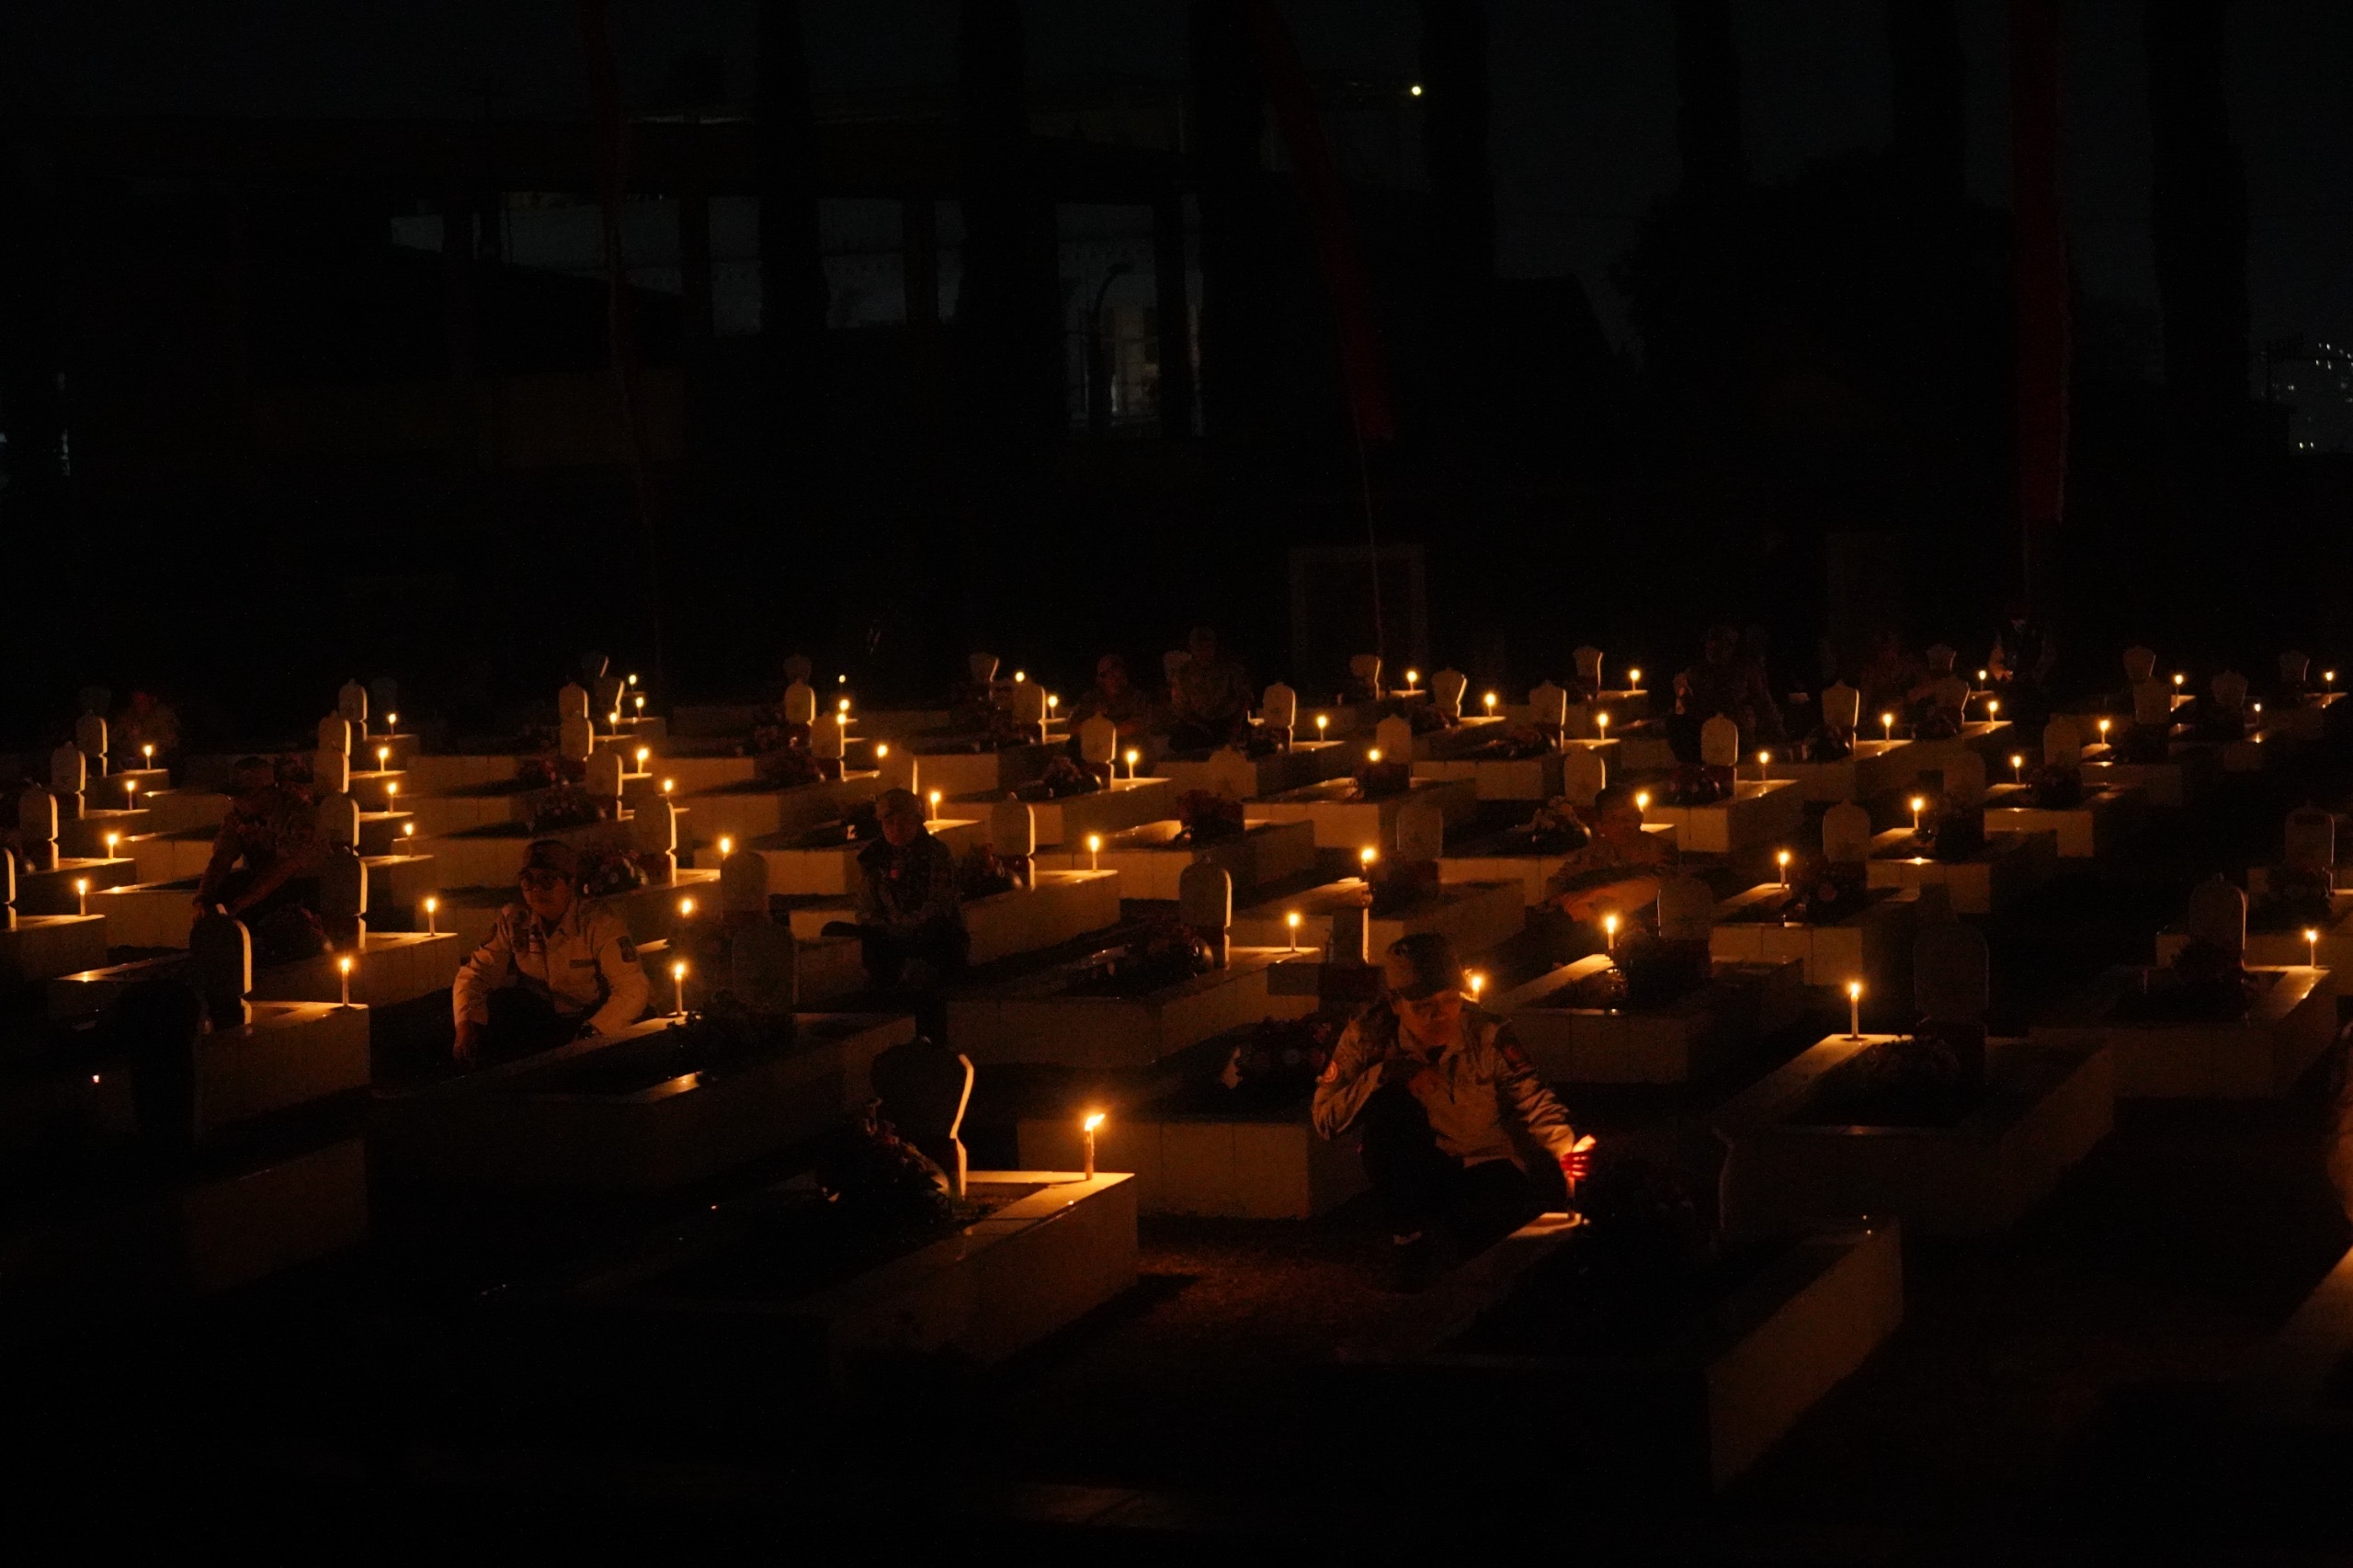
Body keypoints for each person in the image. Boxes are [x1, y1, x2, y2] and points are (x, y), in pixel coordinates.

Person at [1313, 934, 1592, 1290]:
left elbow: (1534, 1099)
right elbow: (1324, 1119)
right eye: (1423, 1005)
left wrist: (1568, 1147)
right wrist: (1383, 1075)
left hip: (1486, 1164)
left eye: (1449, 1000)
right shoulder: (1369, 1037)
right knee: (1389, 1108)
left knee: (1497, 1257)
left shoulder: (1487, 1034)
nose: (1440, 1014)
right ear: (1395, 1003)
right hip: (1420, 1169)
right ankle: (1410, 1240)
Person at [452, 839, 651, 1064]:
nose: (536, 889)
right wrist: (465, 1025)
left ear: (570, 883)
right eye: (529, 880)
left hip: (592, 1019)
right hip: (542, 1021)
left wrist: (592, 1032)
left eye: (547, 880)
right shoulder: (515, 920)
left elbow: (632, 988)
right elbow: (476, 974)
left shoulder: (599, 924)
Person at [854, 788, 970, 990]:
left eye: (905, 821)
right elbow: (866, 909)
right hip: (889, 932)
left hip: (927, 933)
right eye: (890, 823)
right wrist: (887, 926)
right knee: (836, 931)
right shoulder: (874, 857)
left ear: (917, 822)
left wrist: (904, 925)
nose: (897, 829)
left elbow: (938, 904)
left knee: (939, 936)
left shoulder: (935, 853)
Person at [193, 756, 325, 924]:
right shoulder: (238, 817)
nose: (237, 802)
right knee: (223, 892)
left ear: (268, 793)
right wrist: (203, 898)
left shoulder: (298, 816)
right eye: (233, 796)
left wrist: (238, 904)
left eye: (245, 795)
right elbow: (221, 858)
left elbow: (283, 867)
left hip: (304, 889)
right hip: (264, 889)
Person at [1543, 783, 1669, 925]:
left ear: (1640, 819)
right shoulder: (1593, 853)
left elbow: (1661, 885)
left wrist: (1595, 893)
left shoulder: (1660, 849)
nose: (1624, 826)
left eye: (1630, 818)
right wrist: (1567, 901)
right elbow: (1557, 883)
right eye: (1614, 819)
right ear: (1600, 825)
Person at [1671, 623, 1783, 759]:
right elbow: (1684, 707)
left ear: (1730, 647)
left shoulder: (1745, 671)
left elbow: (1763, 702)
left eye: (1720, 645)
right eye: (1710, 644)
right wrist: (1683, 695)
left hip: (1739, 732)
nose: (1714, 649)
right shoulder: (1696, 673)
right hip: (1705, 732)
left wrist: (1777, 731)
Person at [1164, 625, 1253, 752]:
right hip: (1200, 724)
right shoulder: (1183, 674)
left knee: (1246, 741)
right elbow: (1181, 708)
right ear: (1192, 649)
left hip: (1229, 721)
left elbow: (1246, 697)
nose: (1204, 653)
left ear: (1214, 647)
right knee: (1178, 741)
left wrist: (1236, 723)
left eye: (1208, 648)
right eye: (1199, 649)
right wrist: (1199, 725)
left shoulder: (1229, 669)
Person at [1068, 653, 1154, 744]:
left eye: (1116, 672)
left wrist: (1107, 732)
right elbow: (1072, 726)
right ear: (1100, 680)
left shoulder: (1137, 698)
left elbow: (1138, 725)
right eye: (1105, 675)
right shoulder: (1090, 699)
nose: (1112, 678)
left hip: (1128, 748)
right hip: (1095, 748)